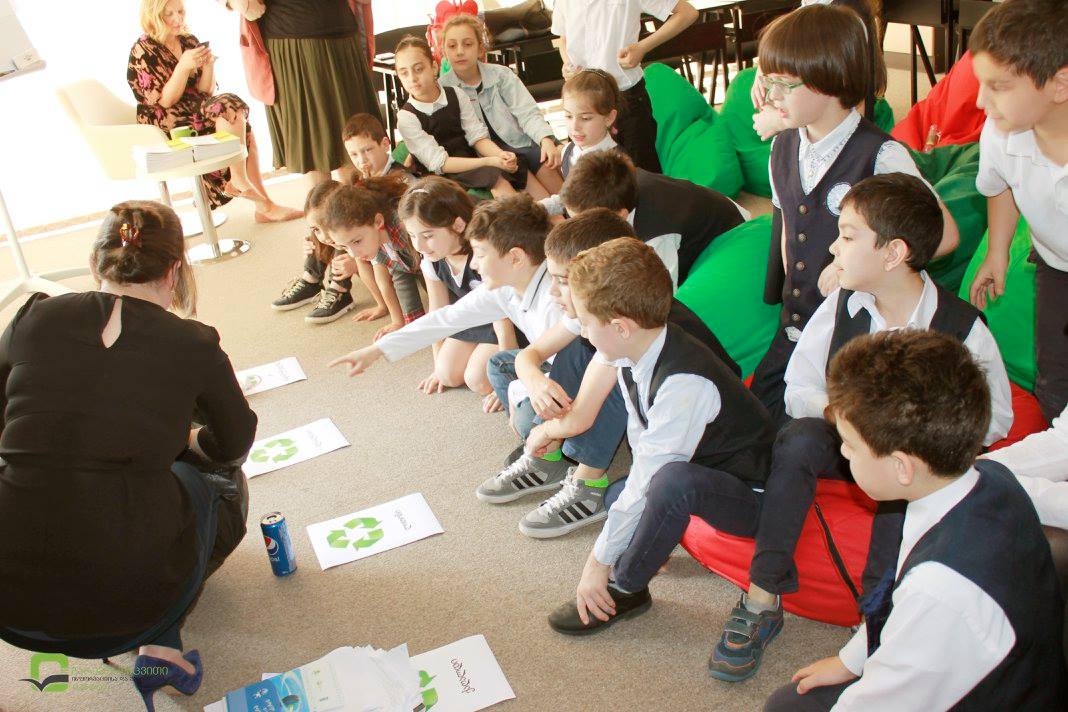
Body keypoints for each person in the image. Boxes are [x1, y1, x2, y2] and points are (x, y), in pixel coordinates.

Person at [707, 173, 1013, 682]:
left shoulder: (961, 328)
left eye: (847, 236)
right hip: (846, 443)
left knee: (903, 490)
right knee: (797, 439)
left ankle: (877, 621)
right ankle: (763, 595)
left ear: (893, 253)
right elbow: (799, 388)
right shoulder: (841, 305)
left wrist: (914, 438)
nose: (833, 246)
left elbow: (996, 417)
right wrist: (847, 417)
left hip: (907, 462)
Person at [0, 201, 257, 711]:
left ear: (94, 263)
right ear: (175, 270)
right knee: (221, 480)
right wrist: (185, 441)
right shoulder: (192, 343)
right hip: (131, 607)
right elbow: (234, 442)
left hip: (12, 605)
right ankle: (161, 637)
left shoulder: (33, 316)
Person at [764, 330, 1066, 711]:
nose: (843, 453)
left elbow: (878, 704)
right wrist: (851, 661)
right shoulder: (985, 480)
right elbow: (894, 597)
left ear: (901, 467)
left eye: (850, 445)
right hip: (1003, 669)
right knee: (789, 703)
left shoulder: (939, 591)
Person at [543, 238, 775, 635]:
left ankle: (626, 587)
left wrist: (597, 564)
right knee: (620, 495)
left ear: (620, 327)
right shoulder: (630, 351)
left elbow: (653, 476)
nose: (581, 330)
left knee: (668, 484)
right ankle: (654, 540)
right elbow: (642, 439)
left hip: (750, 494)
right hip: (699, 466)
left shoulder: (683, 382)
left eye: (585, 322)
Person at [747, 4, 960, 425]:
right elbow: (790, 235)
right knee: (755, 422)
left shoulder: (880, 155)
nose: (771, 96)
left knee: (825, 435)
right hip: (796, 328)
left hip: (855, 336)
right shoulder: (782, 147)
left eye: (783, 84)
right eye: (767, 81)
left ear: (829, 80)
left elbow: (945, 235)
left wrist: (858, 268)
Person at [507, 210, 739, 539]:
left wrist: (545, 429)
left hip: (704, 435)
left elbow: (580, 419)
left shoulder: (624, 327)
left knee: (608, 376)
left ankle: (587, 483)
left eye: (562, 281)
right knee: (570, 348)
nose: (553, 292)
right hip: (657, 415)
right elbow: (528, 355)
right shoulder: (598, 309)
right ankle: (553, 454)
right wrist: (536, 383)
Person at [329, 196, 562, 423]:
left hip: (564, 370)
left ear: (516, 258)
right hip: (547, 361)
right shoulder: (504, 288)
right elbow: (445, 319)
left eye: (481, 254)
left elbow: (571, 373)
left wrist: (522, 392)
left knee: (529, 412)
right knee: (499, 369)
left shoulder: (555, 302)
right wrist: (376, 350)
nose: (474, 263)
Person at [967, 0, 1068, 424]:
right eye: (980, 83)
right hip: (1055, 264)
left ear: (1059, 85)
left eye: (999, 86)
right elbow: (1001, 186)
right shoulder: (1000, 132)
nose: (980, 100)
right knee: (1055, 376)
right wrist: (998, 252)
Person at [129, 0, 301, 221]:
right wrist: (183, 66)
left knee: (233, 114)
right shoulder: (143, 49)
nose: (178, 18)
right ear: (154, 16)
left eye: (180, 11)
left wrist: (209, 65)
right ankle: (252, 194)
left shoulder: (188, 40)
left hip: (194, 110)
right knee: (233, 118)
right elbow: (166, 101)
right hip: (164, 121)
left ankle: (257, 199)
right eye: (169, 14)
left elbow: (205, 92)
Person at [225, 0, 383, 192]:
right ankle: (323, 210)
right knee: (314, 151)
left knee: (355, 139)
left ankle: (356, 207)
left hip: (342, 33)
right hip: (292, 40)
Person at [399, 176, 518, 412]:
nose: (419, 246)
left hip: (507, 323)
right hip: (473, 320)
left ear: (458, 225)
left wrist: (508, 379)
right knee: (447, 374)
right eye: (412, 235)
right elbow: (437, 312)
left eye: (428, 235)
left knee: (477, 380)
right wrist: (437, 366)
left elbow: (503, 321)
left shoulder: (482, 257)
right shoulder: (431, 260)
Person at [551, 0, 699, 173]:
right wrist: (567, 62)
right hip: (582, 102)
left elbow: (687, 13)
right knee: (588, 175)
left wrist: (642, 47)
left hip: (626, 97)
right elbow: (563, 37)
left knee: (640, 174)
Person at [559, 151, 748, 286]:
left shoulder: (657, 235)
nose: (578, 227)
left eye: (585, 222)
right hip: (703, 213)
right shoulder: (618, 182)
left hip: (730, 236)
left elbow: (665, 293)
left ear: (620, 215)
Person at [439, 14, 563, 197]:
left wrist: (545, 139)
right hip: (486, 158)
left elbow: (528, 113)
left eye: (467, 44)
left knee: (553, 177)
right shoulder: (442, 90)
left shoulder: (502, 75)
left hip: (521, 144)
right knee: (542, 200)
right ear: (443, 51)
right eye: (452, 46)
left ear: (480, 48)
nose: (459, 51)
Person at [393, 36, 521, 197]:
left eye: (418, 69)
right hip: (441, 176)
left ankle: (547, 211)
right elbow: (440, 163)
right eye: (404, 73)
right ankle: (520, 211)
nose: (412, 78)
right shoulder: (406, 117)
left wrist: (499, 155)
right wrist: (489, 161)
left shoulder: (456, 94)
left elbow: (477, 137)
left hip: (470, 161)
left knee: (518, 165)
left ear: (434, 67)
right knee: (493, 173)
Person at [320, 178, 426, 339]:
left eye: (356, 242)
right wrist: (405, 322)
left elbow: (437, 271)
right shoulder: (377, 242)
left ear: (378, 221)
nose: (353, 254)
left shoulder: (406, 229)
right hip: (422, 267)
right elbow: (401, 277)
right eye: (345, 247)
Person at [343, 112, 416, 323]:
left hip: (407, 243)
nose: (362, 160)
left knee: (393, 270)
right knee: (364, 259)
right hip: (383, 245)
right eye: (354, 154)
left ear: (384, 144)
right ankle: (385, 307)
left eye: (367, 150)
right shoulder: (360, 179)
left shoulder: (400, 176)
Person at [271, 180, 366, 324]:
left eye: (327, 226)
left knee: (337, 236)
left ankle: (339, 289)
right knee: (320, 236)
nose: (324, 236)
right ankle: (311, 280)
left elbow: (386, 262)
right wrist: (314, 247)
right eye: (316, 229)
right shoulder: (323, 235)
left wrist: (357, 264)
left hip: (379, 270)